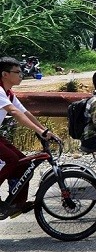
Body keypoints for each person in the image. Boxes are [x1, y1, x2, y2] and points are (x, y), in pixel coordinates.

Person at [0, 56, 60, 217]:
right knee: (11, 159)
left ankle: (16, 204)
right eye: (17, 72)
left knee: (23, 164)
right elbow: (14, 113)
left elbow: (25, 113)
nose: (21, 74)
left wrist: (45, 130)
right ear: (5, 74)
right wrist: (41, 132)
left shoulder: (9, 94)